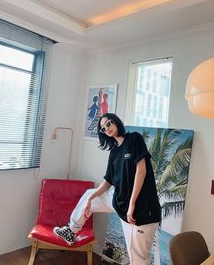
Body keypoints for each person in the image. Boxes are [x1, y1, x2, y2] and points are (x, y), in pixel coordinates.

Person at [53, 113, 161, 265]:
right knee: (90, 194)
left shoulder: (134, 138)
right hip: (120, 202)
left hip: (140, 211)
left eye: (108, 124)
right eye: (103, 128)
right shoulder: (114, 152)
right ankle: (71, 231)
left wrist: (132, 204)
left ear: (116, 121)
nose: (106, 128)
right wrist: (90, 199)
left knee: (138, 260)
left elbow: (141, 170)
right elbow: (108, 181)